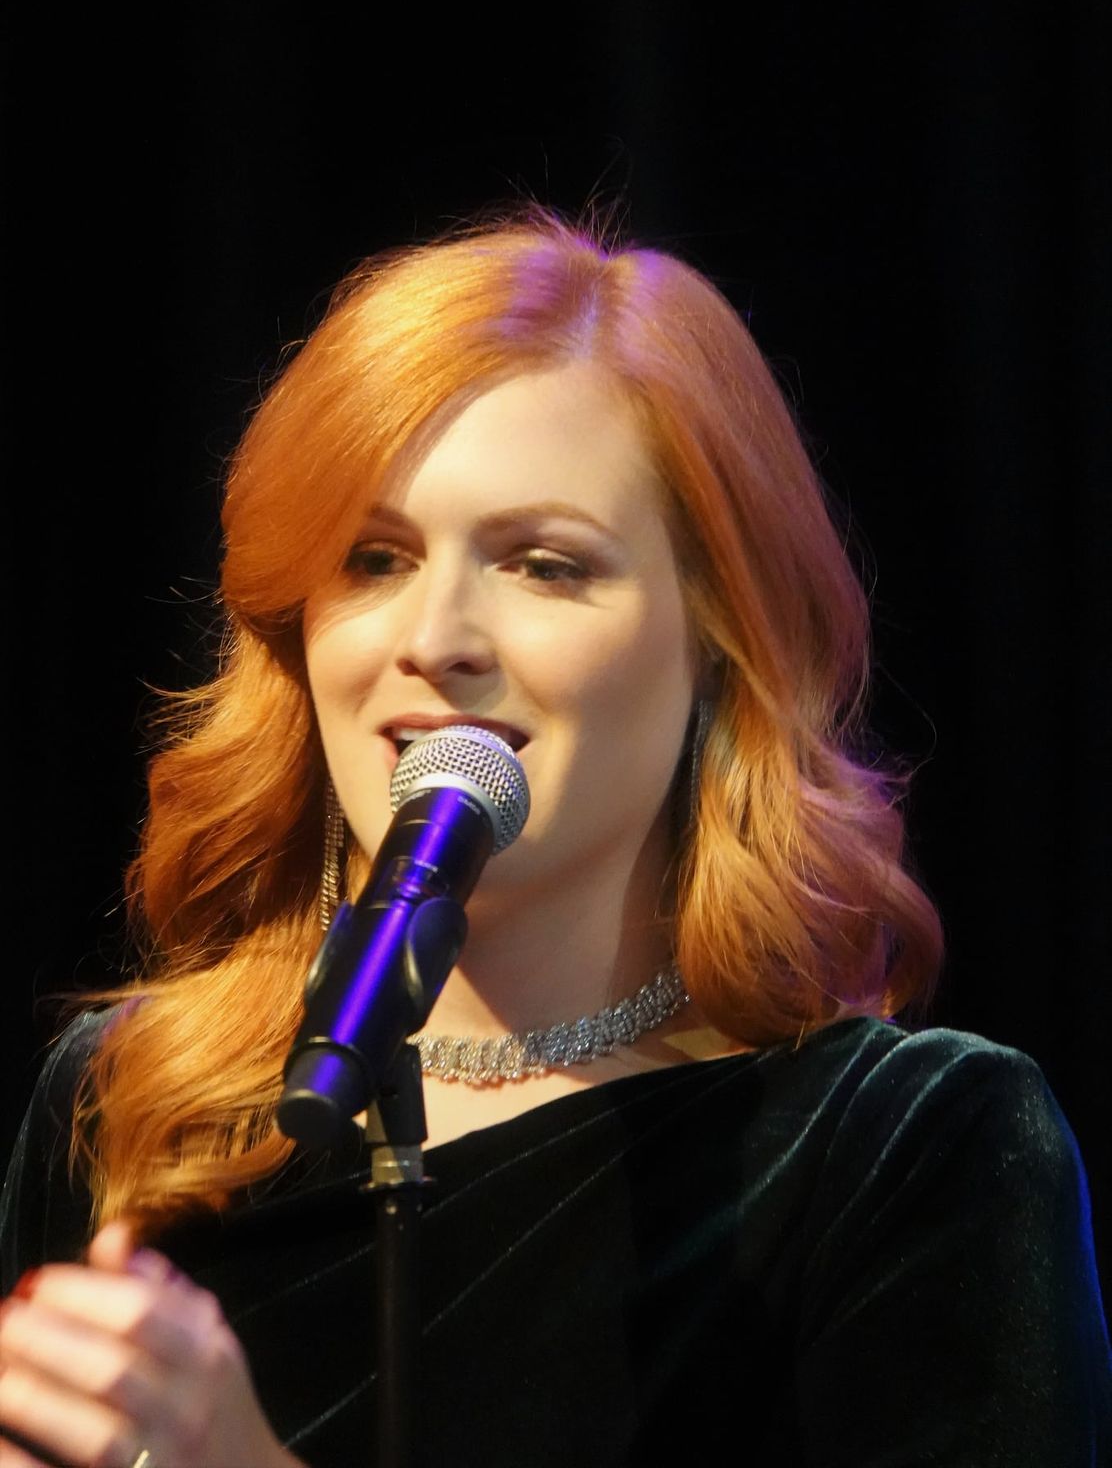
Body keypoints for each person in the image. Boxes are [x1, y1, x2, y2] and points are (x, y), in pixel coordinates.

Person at [1, 205, 1108, 1468]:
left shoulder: (908, 1147)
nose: (436, 638)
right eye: (373, 558)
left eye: (543, 564)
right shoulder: (130, 1105)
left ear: (720, 636)